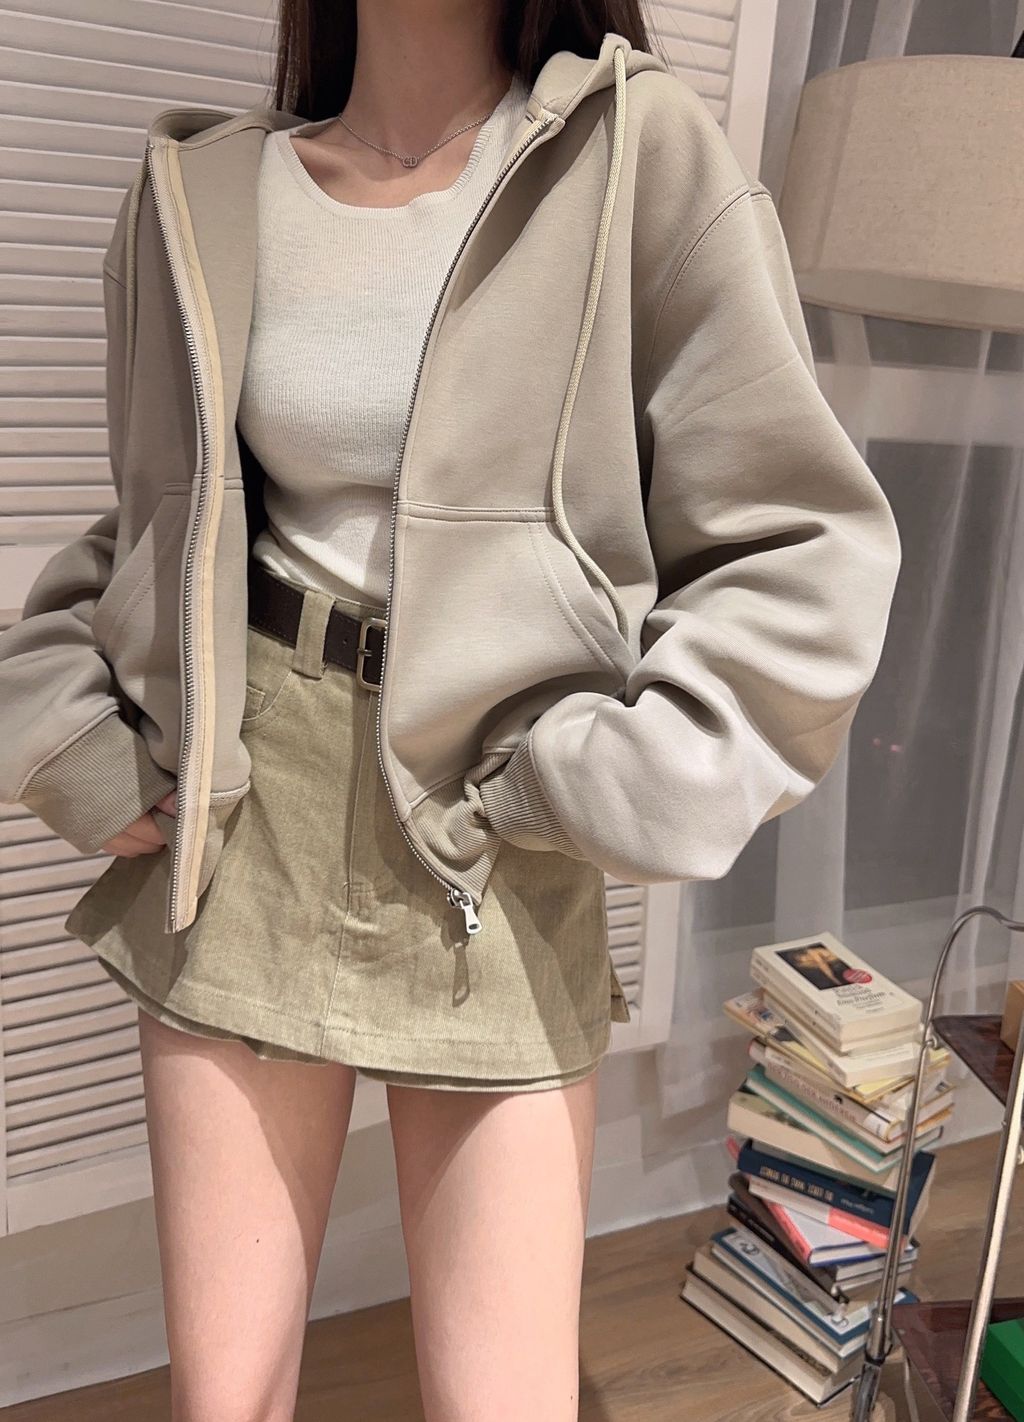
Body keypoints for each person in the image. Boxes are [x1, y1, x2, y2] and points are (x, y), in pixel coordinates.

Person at [0, 1, 902, 1417]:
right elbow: (150, 530)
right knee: (223, 1400)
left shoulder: (637, 155)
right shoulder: (204, 190)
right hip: (245, 822)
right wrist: (74, 733)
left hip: (489, 828)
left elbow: (798, 545)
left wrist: (615, 776)